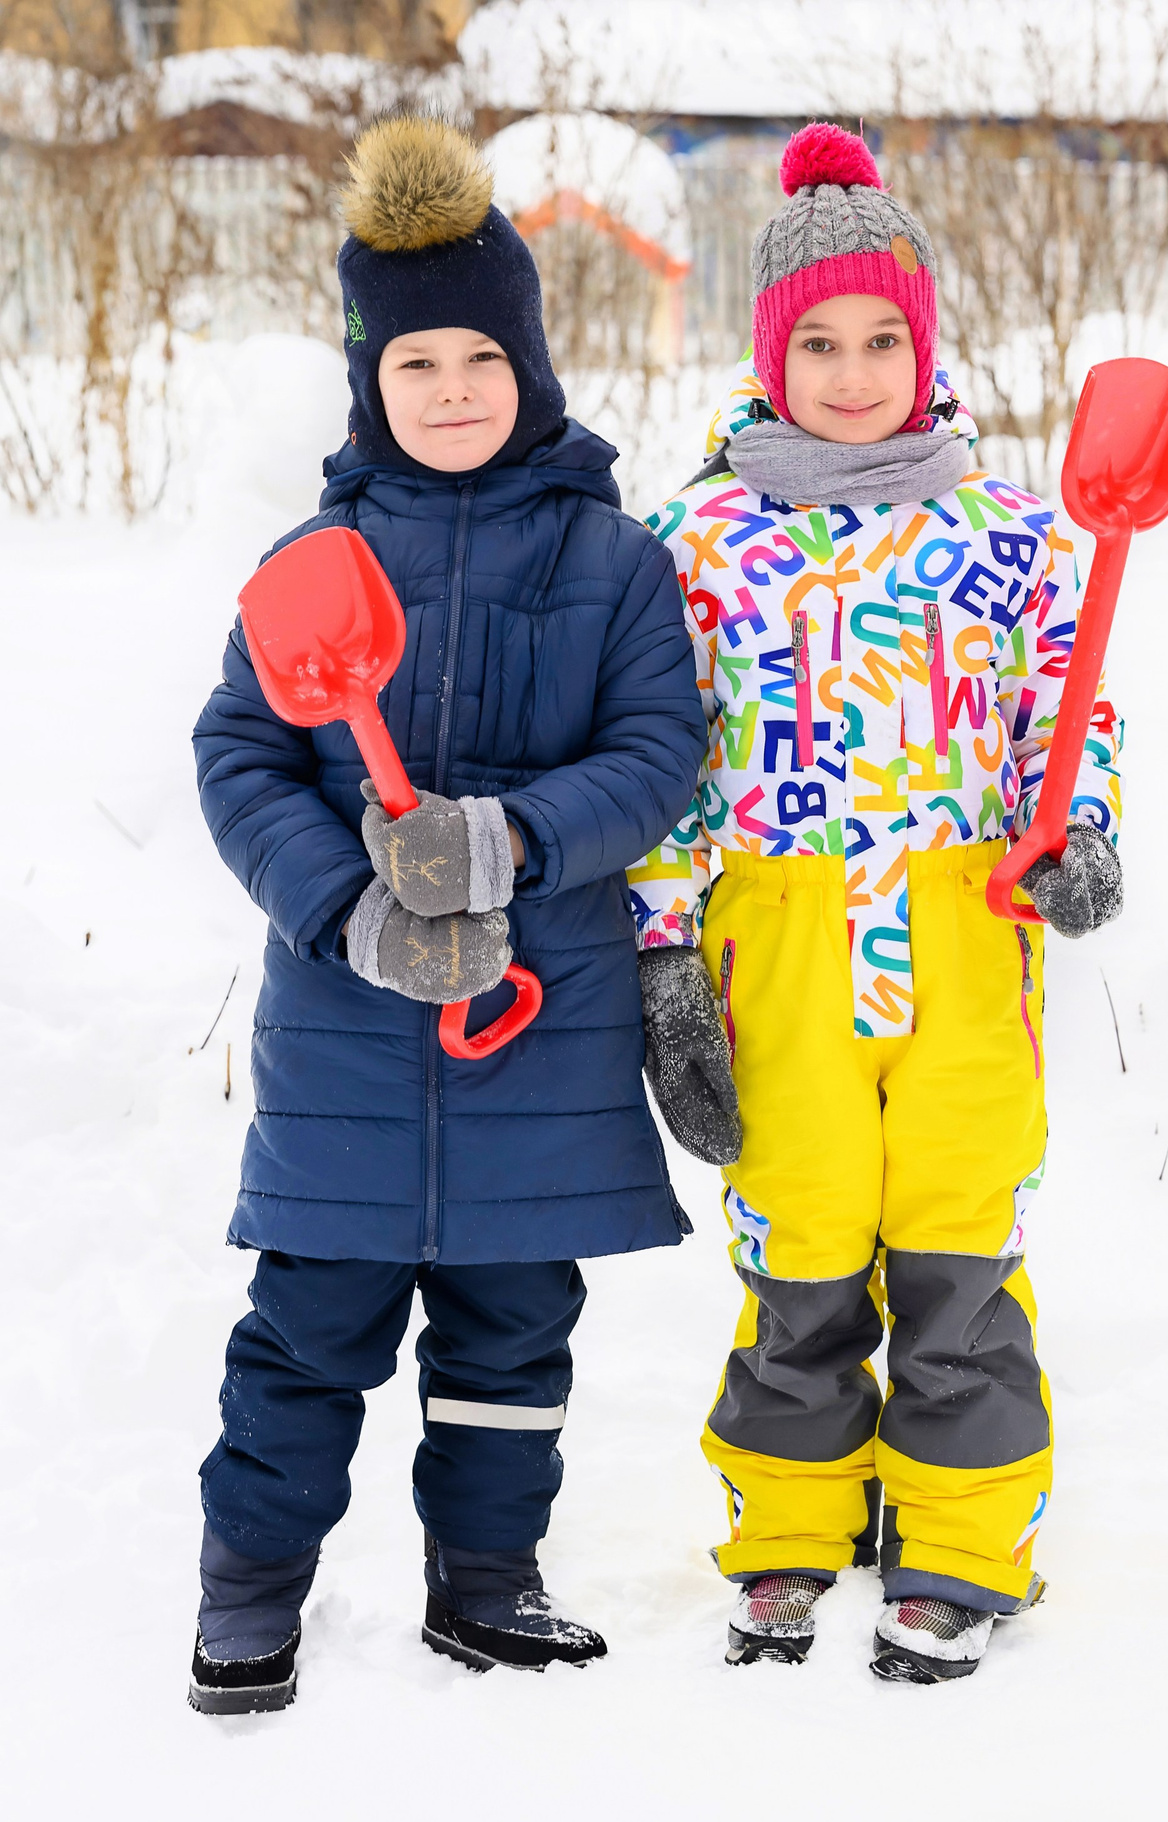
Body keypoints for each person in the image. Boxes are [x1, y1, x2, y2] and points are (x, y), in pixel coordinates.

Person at [187, 117, 703, 1714]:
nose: (458, 388)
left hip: (533, 1031)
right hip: (349, 1031)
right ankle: (248, 1601)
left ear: (534, 361)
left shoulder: (617, 563)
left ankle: (487, 1583)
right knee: (300, 1339)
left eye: (487, 353)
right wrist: (348, 905)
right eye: (419, 364)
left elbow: (657, 755)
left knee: (510, 1345)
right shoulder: (316, 560)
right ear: (371, 385)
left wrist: (505, 839)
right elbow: (244, 753)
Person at [628, 122, 1120, 1684]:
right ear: (772, 354)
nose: (854, 371)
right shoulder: (695, 542)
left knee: (958, 1235)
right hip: (773, 936)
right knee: (805, 1238)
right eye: (819, 343)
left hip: (968, 925)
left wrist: (1078, 831)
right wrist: (661, 955)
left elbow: (1068, 709)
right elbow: (657, 753)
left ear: (928, 343)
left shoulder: (1018, 532)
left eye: (883, 338)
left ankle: (966, 1539)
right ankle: (789, 1524)